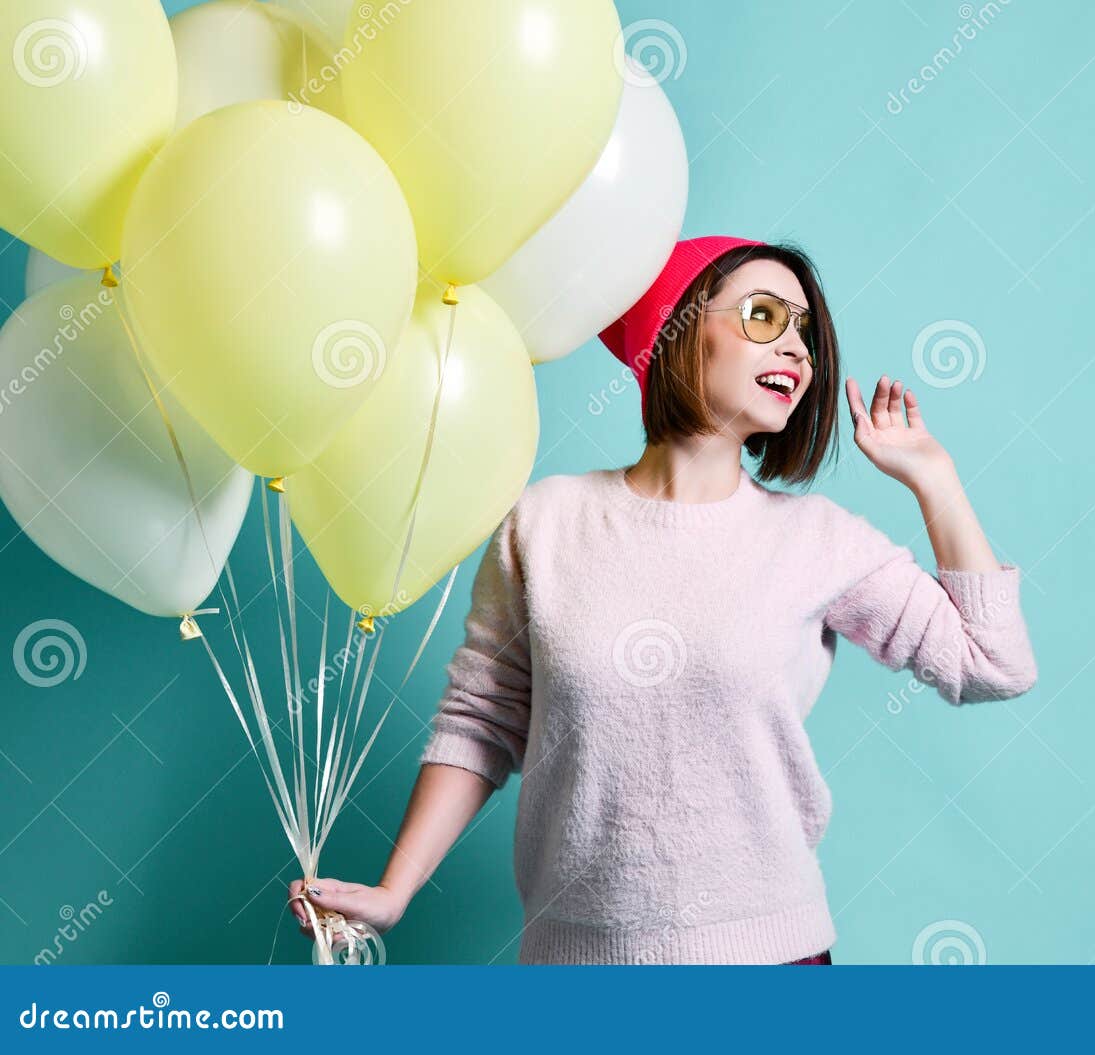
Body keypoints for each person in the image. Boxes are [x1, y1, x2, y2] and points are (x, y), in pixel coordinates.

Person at [289, 236, 1039, 964]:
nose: (797, 351)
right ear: (678, 328)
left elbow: (993, 663)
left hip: (768, 966)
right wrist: (395, 889)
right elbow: (482, 721)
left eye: (804, 331)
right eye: (764, 317)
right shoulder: (546, 523)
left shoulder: (817, 539)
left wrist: (933, 479)